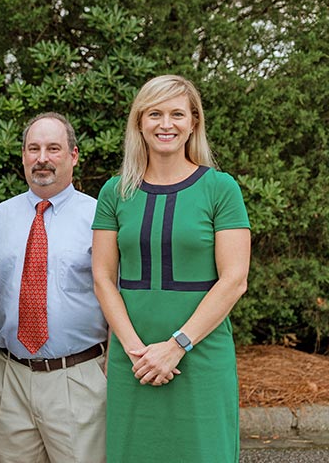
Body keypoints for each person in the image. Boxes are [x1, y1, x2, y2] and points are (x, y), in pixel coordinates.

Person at [92, 75, 251, 462]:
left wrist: (177, 346)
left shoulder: (220, 188)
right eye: (155, 114)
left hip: (201, 353)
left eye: (177, 114)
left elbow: (234, 280)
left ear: (194, 122)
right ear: (139, 123)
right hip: (134, 357)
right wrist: (135, 351)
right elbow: (102, 277)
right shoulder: (115, 192)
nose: (166, 124)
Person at [0, 113, 108, 462]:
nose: (42, 158)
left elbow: (116, 293)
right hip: (8, 378)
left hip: (78, 377)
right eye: (33, 149)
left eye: (53, 148)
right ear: (23, 156)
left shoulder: (100, 219)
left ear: (74, 155)